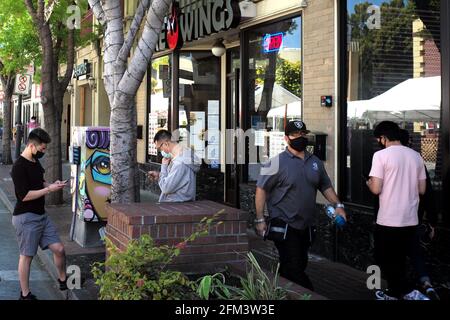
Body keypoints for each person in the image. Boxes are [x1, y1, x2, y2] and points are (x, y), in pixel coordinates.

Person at [254, 119, 347, 291]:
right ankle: (308, 295)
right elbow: (261, 190)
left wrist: (338, 205)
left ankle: (278, 291)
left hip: (306, 224)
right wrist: (260, 219)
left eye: (303, 134)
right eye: (295, 134)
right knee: (294, 267)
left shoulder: (315, 162)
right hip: (284, 223)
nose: (300, 137)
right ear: (286, 138)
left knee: (296, 265)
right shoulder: (274, 162)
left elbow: (325, 186)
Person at [367, 121, 428, 300]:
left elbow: (376, 189)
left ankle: (405, 292)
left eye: (379, 138)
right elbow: (422, 189)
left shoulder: (380, 156)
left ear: (384, 138)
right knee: (401, 259)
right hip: (410, 219)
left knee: (386, 259)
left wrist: (369, 183)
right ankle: (398, 292)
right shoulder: (416, 156)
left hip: (388, 219)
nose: (379, 142)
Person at [11, 128, 68, 300]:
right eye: (42, 149)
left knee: (59, 249)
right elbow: (24, 196)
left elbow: (40, 182)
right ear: (31, 145)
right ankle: (25, 294)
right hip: (26, 217)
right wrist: (48, 190)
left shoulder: (35, 161)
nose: (44, 152)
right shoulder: (18, 167)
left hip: (41, 215)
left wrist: (53, 184)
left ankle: (63, 280)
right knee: (27, 256)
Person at [398, 129, 439, 300]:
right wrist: (432, 221)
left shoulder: (386, 159)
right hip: (413, 217)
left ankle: (401, 289)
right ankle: (426, 283)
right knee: (415, 252)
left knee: (395, 255)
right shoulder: (417, 160)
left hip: (393, 219)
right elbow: (427, 192)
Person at [148, 129, 200, 202]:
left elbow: (166, 188)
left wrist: (164, 167)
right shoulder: (186, 155)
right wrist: (159, 175)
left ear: (166, 144)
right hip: (181, 205)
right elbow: (179, 180)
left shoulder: (179, 162)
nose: (161, 151)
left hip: (174, 205)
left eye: (159, 149)